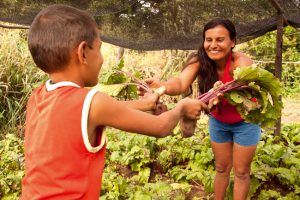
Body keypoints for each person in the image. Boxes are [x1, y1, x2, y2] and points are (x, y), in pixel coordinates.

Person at [20, 4, 215, 200]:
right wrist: (181, 107)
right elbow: (161, 126)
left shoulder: (38, 95)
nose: (102, 59)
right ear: (83, 53)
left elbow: (97, 111)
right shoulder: (94, 102)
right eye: (99, 49)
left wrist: (145, 104)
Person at [139, 18, 261, 199]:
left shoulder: (242, 62)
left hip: (246, 122)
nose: (213, 45)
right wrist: (161, 86)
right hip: (219, 122)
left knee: (242, 171)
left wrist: (221, 93)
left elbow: (242, 90)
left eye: (220, 40)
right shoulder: (199, 60)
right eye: (208, 40)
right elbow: (180, 82)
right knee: (221, 168)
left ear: (232, 42)